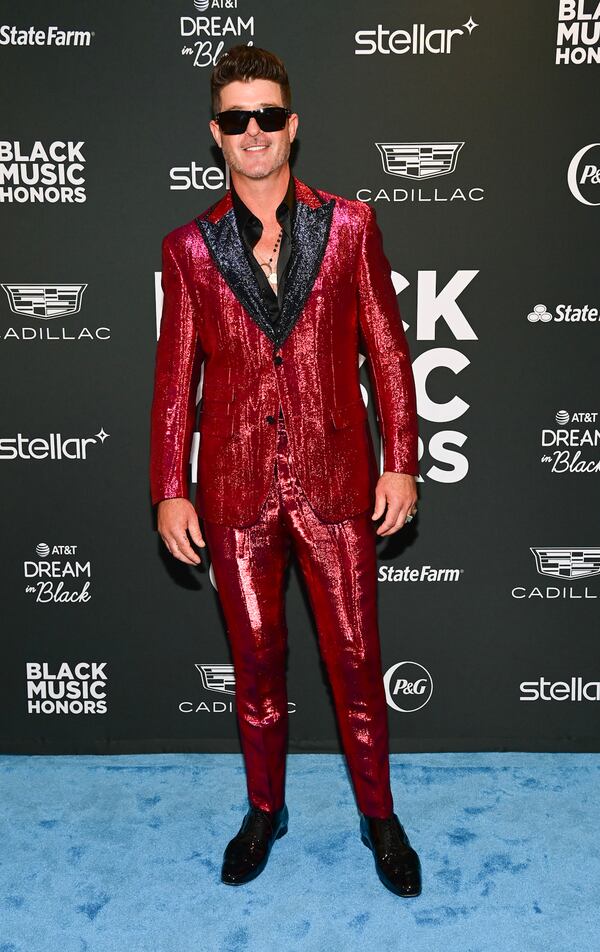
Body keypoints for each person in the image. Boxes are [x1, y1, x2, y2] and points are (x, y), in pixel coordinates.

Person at [149, 44, 422, 898]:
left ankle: (380, 819)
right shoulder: (189, 249)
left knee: (355, 662)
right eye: (237, 118)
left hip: (338, 484)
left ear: (292, 126)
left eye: (269, 115)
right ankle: (265, 809)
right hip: (233, 493)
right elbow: (174, 377)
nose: (255, 131)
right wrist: (169, 487)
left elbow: (388, 351)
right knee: (257, 670)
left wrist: (402, 463)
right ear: (216, 135)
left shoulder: (351, 227)